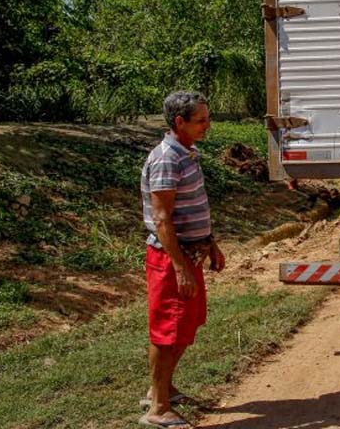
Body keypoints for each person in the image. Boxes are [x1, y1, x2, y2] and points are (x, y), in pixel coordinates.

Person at [140, 91, 225, 428]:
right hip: (171, 259)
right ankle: (158, 407)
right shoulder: (166, 159)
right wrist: (179, 267)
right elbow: (162, 219)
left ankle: (161, 389)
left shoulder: (188, 153)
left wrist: (210, 244)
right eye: (201, 120)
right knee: (168, 331)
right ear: (179, 122)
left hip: (191, 254)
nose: (208, 125)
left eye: (207, 118)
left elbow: (194, 206)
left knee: (187, 326)